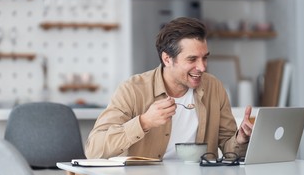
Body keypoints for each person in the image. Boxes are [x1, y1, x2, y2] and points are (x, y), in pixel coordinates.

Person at [85, 17, 253, 160]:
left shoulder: (213, 87)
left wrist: (241, 139)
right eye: (192, 59)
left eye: (204, 58)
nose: (202, 67)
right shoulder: (132, 90)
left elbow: (229, 149)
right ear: (167, 59)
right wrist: (144, 122)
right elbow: (94, 149)